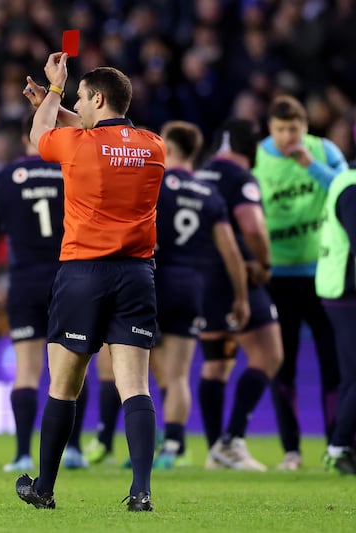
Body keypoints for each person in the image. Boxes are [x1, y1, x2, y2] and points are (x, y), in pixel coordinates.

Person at [16, 54, 166, 512]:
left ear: (96, 97)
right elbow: (98, 132)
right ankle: (140, 491)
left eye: (82, 98)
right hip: (137, 275)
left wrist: (55, 89)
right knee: (135, 387)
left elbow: (41, 136)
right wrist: (60, 104)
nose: (76, 104)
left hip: (83, 273)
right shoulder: (155, 146)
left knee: (63, 386)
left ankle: (44, 488)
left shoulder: (76, 146)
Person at [0, 113, 90, 472]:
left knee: (26, 371)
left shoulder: (5, 179)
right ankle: (72, 449)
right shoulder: (75, 169)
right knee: (71, 368)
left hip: (24, 284)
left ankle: (23, 453)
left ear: (29, 136)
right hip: (70, 280)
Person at [252, 95, 347, 471]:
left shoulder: (323, 152)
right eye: (281, 130)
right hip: (277, 278)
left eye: (295, 129)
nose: (289, 137)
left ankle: (336, 447)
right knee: (282, 366)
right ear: (270, 130)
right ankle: (291, 451)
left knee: (334, 367)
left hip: (322, 275)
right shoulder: (259, 158)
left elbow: (347, 190)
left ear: (305, 127)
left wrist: (313, 168)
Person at [149, 121, 250, 470]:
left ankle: (154, 440)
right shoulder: (210, 194)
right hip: (193, 287)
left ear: (170, 148)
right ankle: (175, 443)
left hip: (152, 282)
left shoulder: (153, 184)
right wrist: (241, 297)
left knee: (144, 366)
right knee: (179, 375)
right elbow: (231, 252)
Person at [194, 118, 283, 471]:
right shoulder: (240, 179)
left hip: (199, 278)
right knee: (269, 354)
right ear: (252, 148)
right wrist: (264, 262)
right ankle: (231, 439)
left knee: (217, 363)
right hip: (235, 277)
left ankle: (217, 448)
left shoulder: (200, 175)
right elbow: (252, 226)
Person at [317, 168, 356, 475]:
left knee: (351, 375)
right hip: (346, 291)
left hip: (340, 288)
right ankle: (338, 448)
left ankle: (342, 446)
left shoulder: (346, 180)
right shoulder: (352, 188)